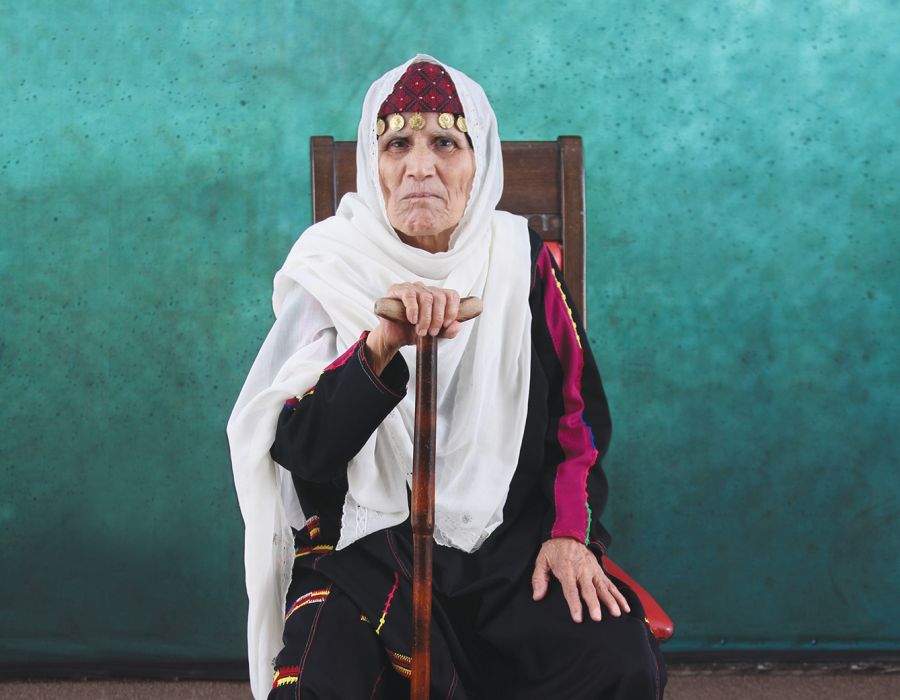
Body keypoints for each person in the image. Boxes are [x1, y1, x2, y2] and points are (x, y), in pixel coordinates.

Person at [228, 54, 666, 699]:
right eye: (397, 145)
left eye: (445, 144)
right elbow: (304, 451)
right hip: (364, 551)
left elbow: (576, 419)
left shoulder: (519, 260)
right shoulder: (330, 264)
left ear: (479, 163)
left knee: (615, 662)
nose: (420, 167)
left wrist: (569, 535)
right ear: (371, 164)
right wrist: (380, 345)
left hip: (508, 549)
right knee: (317, 684)